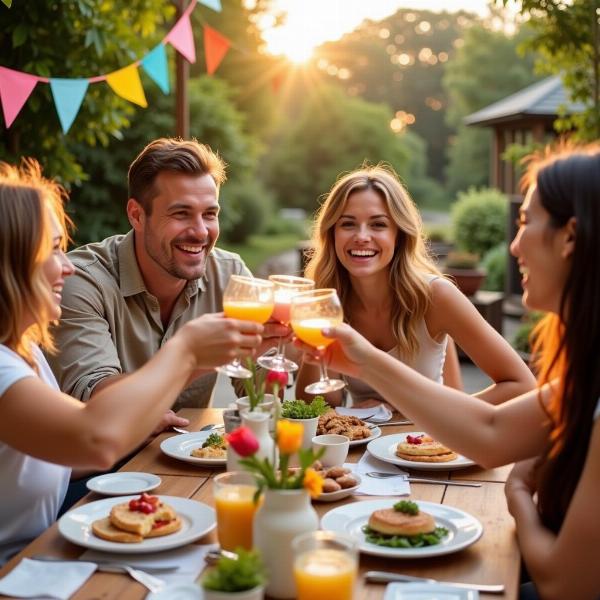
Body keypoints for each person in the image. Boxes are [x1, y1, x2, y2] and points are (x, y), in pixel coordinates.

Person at [298, 145, 600, 599]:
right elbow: (492, 431)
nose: (513, 245)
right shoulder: (588, 368)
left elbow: (564, 584)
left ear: (570, 236)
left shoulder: (433, 295)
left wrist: (517, 491)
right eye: (347, 223)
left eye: (524, 223)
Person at [0, 160, 263, 565]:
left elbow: (64, 457)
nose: (66, 265)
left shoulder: (25, 351)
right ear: (10, 265)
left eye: (210, 213)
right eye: (53, 249)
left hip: (45, 547)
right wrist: (188, 349)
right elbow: (96, 440)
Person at [47, 138, 286, 433]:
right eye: (181, 213)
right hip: (99, 472)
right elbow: (100, 400)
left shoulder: (230, 275)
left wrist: (286, 353)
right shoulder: (82, 281)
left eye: (210, 214)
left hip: (187, 465)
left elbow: (262, 394)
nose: (200, 232)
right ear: (136, 215)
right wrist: (193, 357)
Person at [296, 165, 535, 406]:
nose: (362, 236)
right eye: (348, 224)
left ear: (399, 234)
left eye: (378, 224)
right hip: (363, 443)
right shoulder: (329, 302)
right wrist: (313, 347)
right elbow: (317, 407)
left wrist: (420, 420)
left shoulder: (436, 296)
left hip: (425, 441)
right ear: (332, 233)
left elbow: (522, 385)